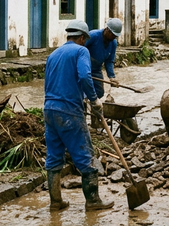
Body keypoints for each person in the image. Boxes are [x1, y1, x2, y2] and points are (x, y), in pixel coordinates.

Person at [44, 20, 112, 212]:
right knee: (85, 155)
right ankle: (93, 201)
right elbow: (84, 76)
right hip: (69, 111)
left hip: (49, 109)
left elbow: (48, 82)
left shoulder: (53, 55)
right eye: (85, 39)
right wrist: (94, 100)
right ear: (82, 38)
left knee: (54, 157)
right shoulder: (81, 51)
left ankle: (56, 202)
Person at [86, 18, 122, 100]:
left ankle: (90, 103)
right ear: (107, 30)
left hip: (96, 70)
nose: (114, 37)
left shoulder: (113, 43)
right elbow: (79, 49)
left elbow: (109, 61)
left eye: (115, 36)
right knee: (84, 89)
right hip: (85, 68)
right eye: (112, 35)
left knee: (99, 92)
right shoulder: (93, 35)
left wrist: (112, 77)